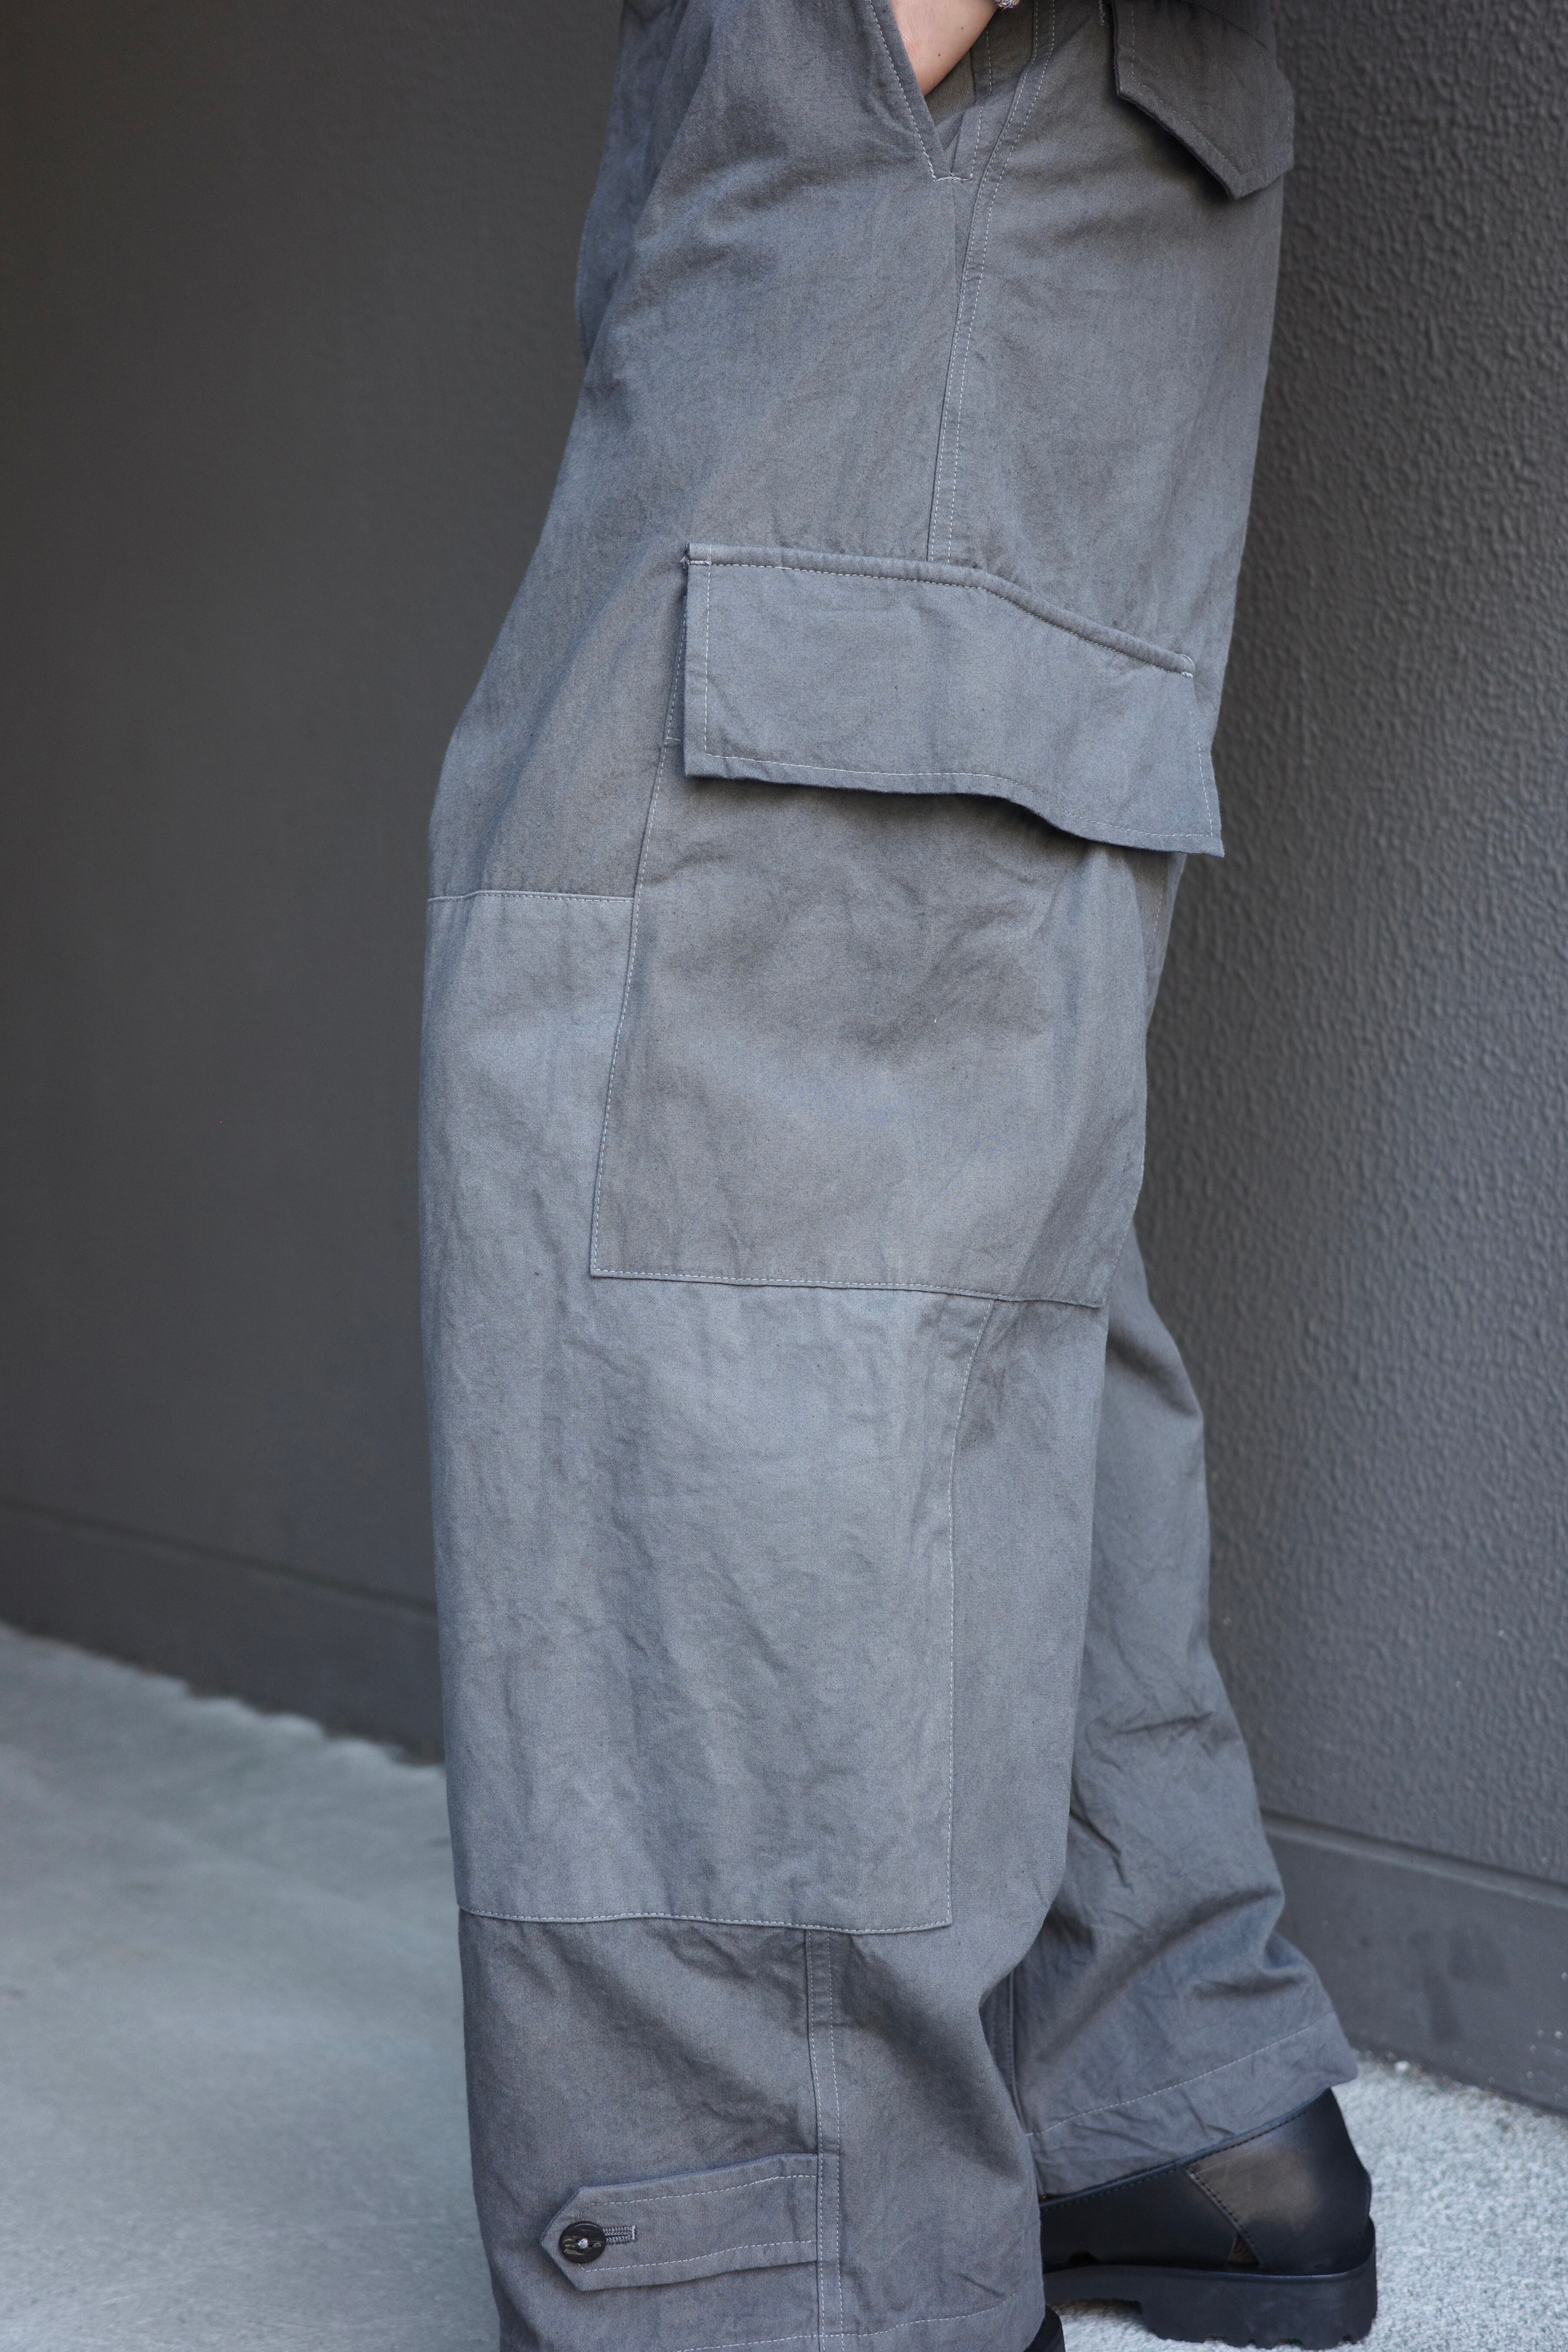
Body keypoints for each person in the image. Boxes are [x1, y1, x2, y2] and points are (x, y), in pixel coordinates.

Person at [418, 3, 1377, 2347]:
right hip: (1021, 181)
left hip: (925, 143)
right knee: (940, 1199)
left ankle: (778, 2258)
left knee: (690, 1128)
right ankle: (1147, 2071)